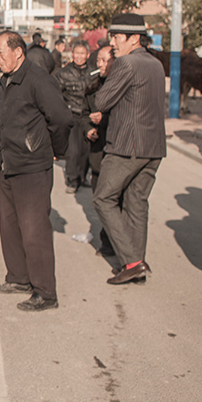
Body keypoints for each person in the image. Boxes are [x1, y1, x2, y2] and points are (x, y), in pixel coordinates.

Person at [0, 31, 73, 311]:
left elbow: (61, 119)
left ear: (18, 52)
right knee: (9, 225)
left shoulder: (38, 80)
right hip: (8, 162)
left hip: (32, 166)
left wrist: (55, 150)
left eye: (1, 52)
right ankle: (18, 278)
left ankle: (45, 293)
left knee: (34, 230)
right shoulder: (6, 79)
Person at [92, 13, 167, 285]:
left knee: (103, 198)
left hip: (127, 146)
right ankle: (136, 265)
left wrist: (111, 71)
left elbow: (102, 101)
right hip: (154, 147)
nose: (112, 43)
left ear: (134, 38)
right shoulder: (156, 64)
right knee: (136, 203)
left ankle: (133, 261)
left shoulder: (126, 63)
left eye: (116, 38)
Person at [80, 45, 115, 256]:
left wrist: (105, 119)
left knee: (112, 201)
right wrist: (89, 129)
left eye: (104, 60)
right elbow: (84, 114)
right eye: (98, 60)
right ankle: (108, 239)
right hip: (97, 152)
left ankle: (111, 243)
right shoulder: (93, 86)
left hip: (115, 151)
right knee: (99, 200)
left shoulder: (121, 87)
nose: (100, 64)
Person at [55, 40, 93, 194]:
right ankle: (72, 179)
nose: (79, 56)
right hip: (72, 116)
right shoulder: (63, 73)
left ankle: (83, 177)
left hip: (88, 117)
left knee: (86, 150)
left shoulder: (93, 72)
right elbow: (57, 96)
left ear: (87, 55)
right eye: (77, 53)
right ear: (72, 54)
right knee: (73, 151)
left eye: (82, 53)